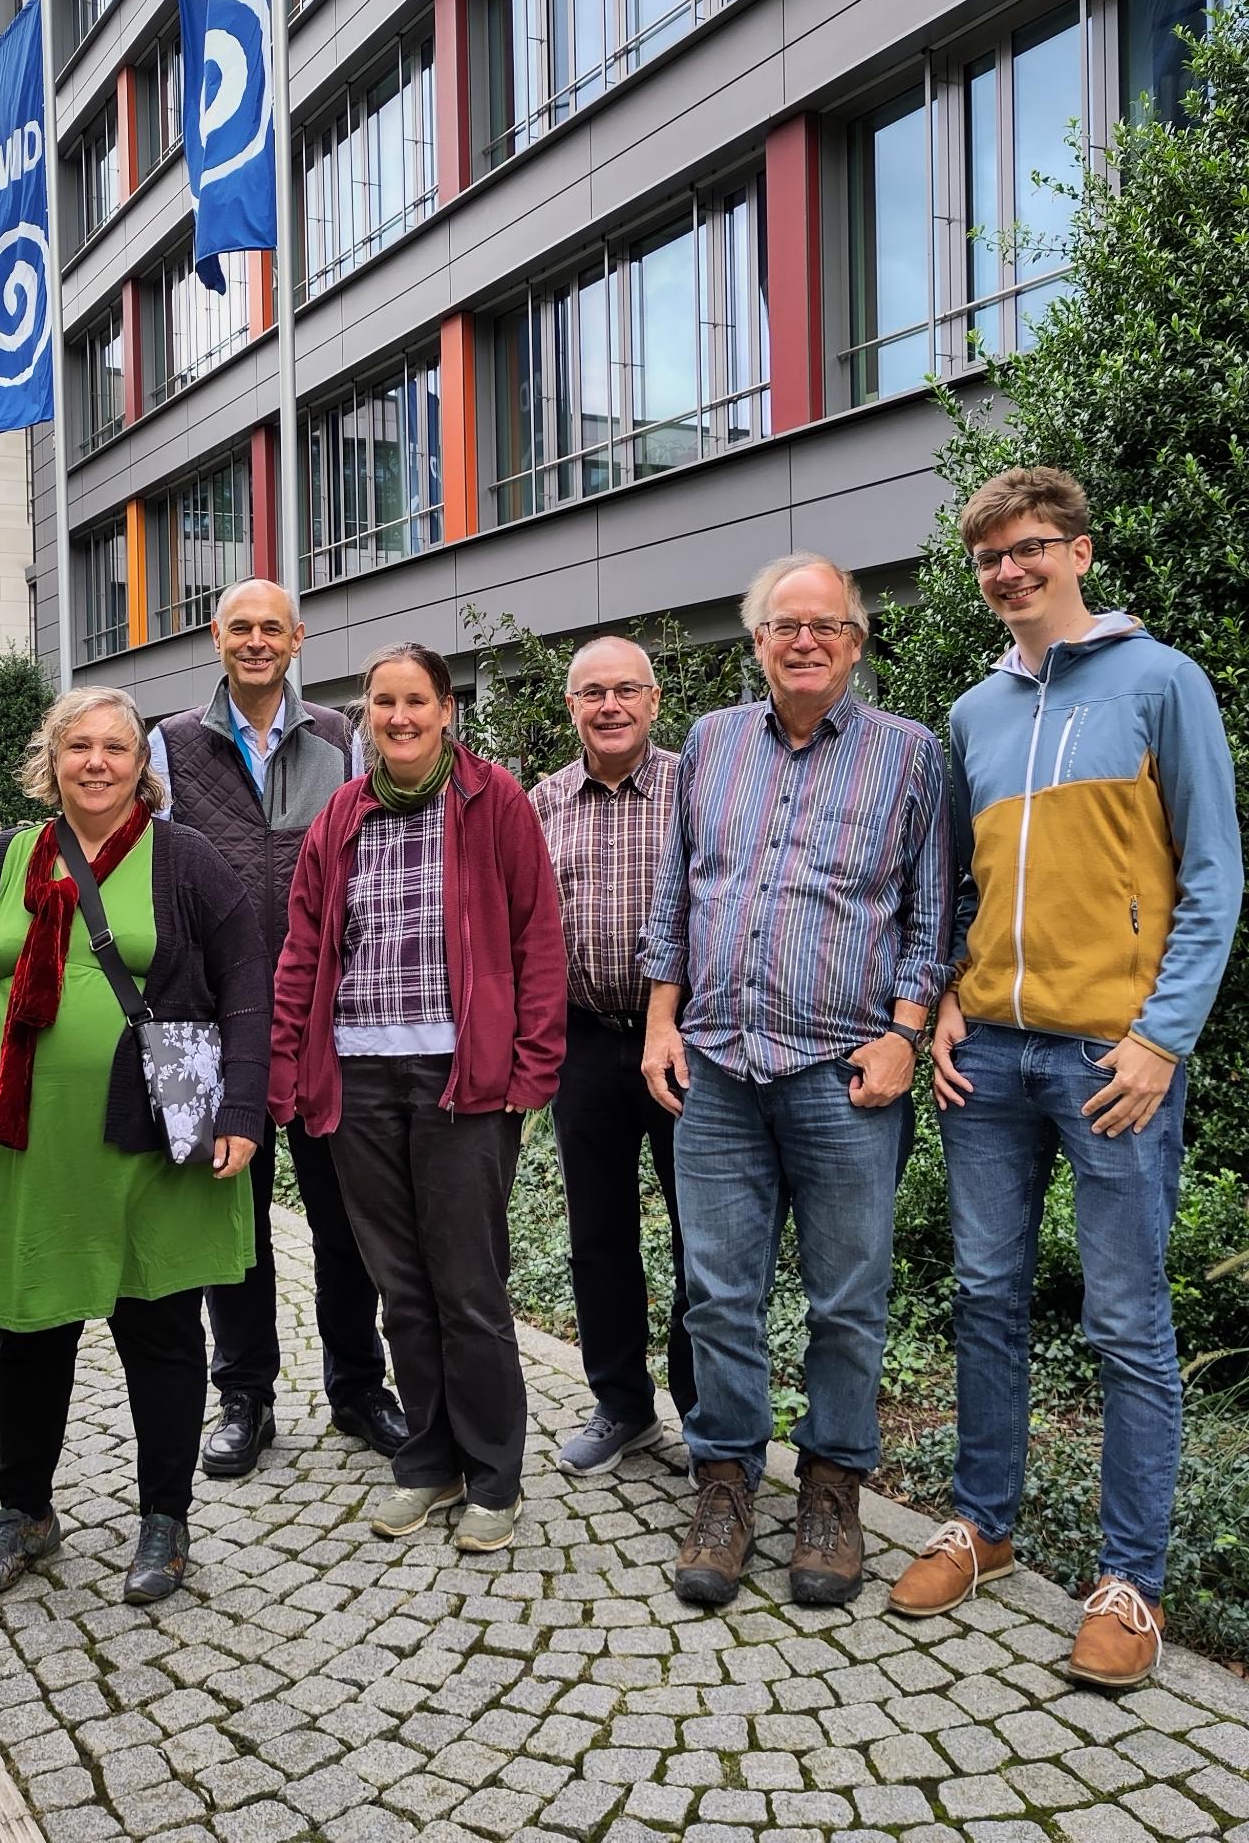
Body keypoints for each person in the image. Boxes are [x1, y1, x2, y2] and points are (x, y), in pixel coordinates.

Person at [888, 467, 1242, 1688]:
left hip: (1111, 1057)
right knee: (985, 1293)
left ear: (1079, 550)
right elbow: (966, 888)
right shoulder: (974, 713)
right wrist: (943, 1003)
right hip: (989, 1048)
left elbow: (1215, 875)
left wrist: (1162, 1036)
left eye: (1030, 546)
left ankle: (1129, 1580)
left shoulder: (1162, 681)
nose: (1009, 569)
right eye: (990, 554)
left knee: (1128, 1320)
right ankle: (984, 1525)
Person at [640, 554, 952, 1608]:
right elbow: (679, 891)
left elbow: (929, 907)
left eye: (827, 624)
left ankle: (830, 1487)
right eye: (784, 624)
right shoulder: (713, 745)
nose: (805, 639)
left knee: (848, 1301)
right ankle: (724, 1479)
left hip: (844, 1069)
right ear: (758, 642)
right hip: (718, 1061)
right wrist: (658, 1020)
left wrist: (908, 1030)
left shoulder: (910, 754)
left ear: (857, 643)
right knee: (718, 1295)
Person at [0, 686, 269, 1605]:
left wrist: (243, 1108)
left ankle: (165, 1519)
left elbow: (246, 981)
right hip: (28, 1145)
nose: (96, 763)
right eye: (78, 746)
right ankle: (25, 1511)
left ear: (140, 765)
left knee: (158, 1329)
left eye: (114, 747)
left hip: (149, 1140)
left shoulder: (186, 860)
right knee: (30, 1330)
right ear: (53, 759)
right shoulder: (7, 861)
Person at [270, 643, 567, 1554]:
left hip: (460, 1077)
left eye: (416, 701)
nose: (398, 717)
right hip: (358, 1076)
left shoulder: (493, 801)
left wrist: (530, 1068)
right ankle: (429, 1461)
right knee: (401, 1287)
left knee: (467, 1286)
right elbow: (303, 948)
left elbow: (537, 936)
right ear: (363, 713)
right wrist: (286, 1068)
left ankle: (495, 1473)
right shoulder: (342, 815)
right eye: (382, 702)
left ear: (446, 710)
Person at [149, 578, 404, 1478]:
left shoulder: (342, 737)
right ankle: (245, 1395)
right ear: (215, 637)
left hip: (327, 1022)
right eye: (240, 628)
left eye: (272, 629)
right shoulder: (170, 744)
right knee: (234, 1220)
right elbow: (152, 878)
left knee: (346, 1222)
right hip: (218, 1029)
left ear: (298, 639)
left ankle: (359, 1386)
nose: (256, 642)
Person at [529, 637, 695, 1475]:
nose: (610, 706)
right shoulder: (542, 803)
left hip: (688, 1043)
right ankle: (622, 1405)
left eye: (626, 690)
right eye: (592, 692)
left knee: (704, 1235)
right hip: (585, 1043)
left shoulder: (697, 787)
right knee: (599, 1235)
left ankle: (705, 1414)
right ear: (572, 707)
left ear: (654, 700)